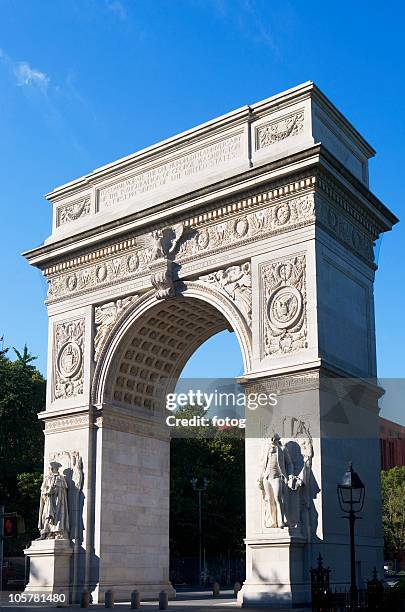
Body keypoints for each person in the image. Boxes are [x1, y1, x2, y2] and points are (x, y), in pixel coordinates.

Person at [258, 433, 293, 528]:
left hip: (278, 476)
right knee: (269, 499)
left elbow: (289, 463)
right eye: (270, 438)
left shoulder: (282, 449)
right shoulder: (266, 449)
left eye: (273, 438)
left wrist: (290, 475)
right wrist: (260, 476)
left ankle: (281, 520)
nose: (272, 439)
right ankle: (273, 521)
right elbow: (262, 464)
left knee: (278, 497)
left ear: (277, 439)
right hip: (266, 477)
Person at [37, 461, 69, 540]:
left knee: (57, 516)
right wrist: (47, 492)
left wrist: (55, 489)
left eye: (51, 468)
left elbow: (63, 491)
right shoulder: (47, 478)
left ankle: (56, 532)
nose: (50, 469)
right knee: (46, 515)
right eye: (50, 468)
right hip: (48, 500)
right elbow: (43, 490)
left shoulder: (61, 478)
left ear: (55, 468)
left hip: (57, 501)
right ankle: (45, 532)